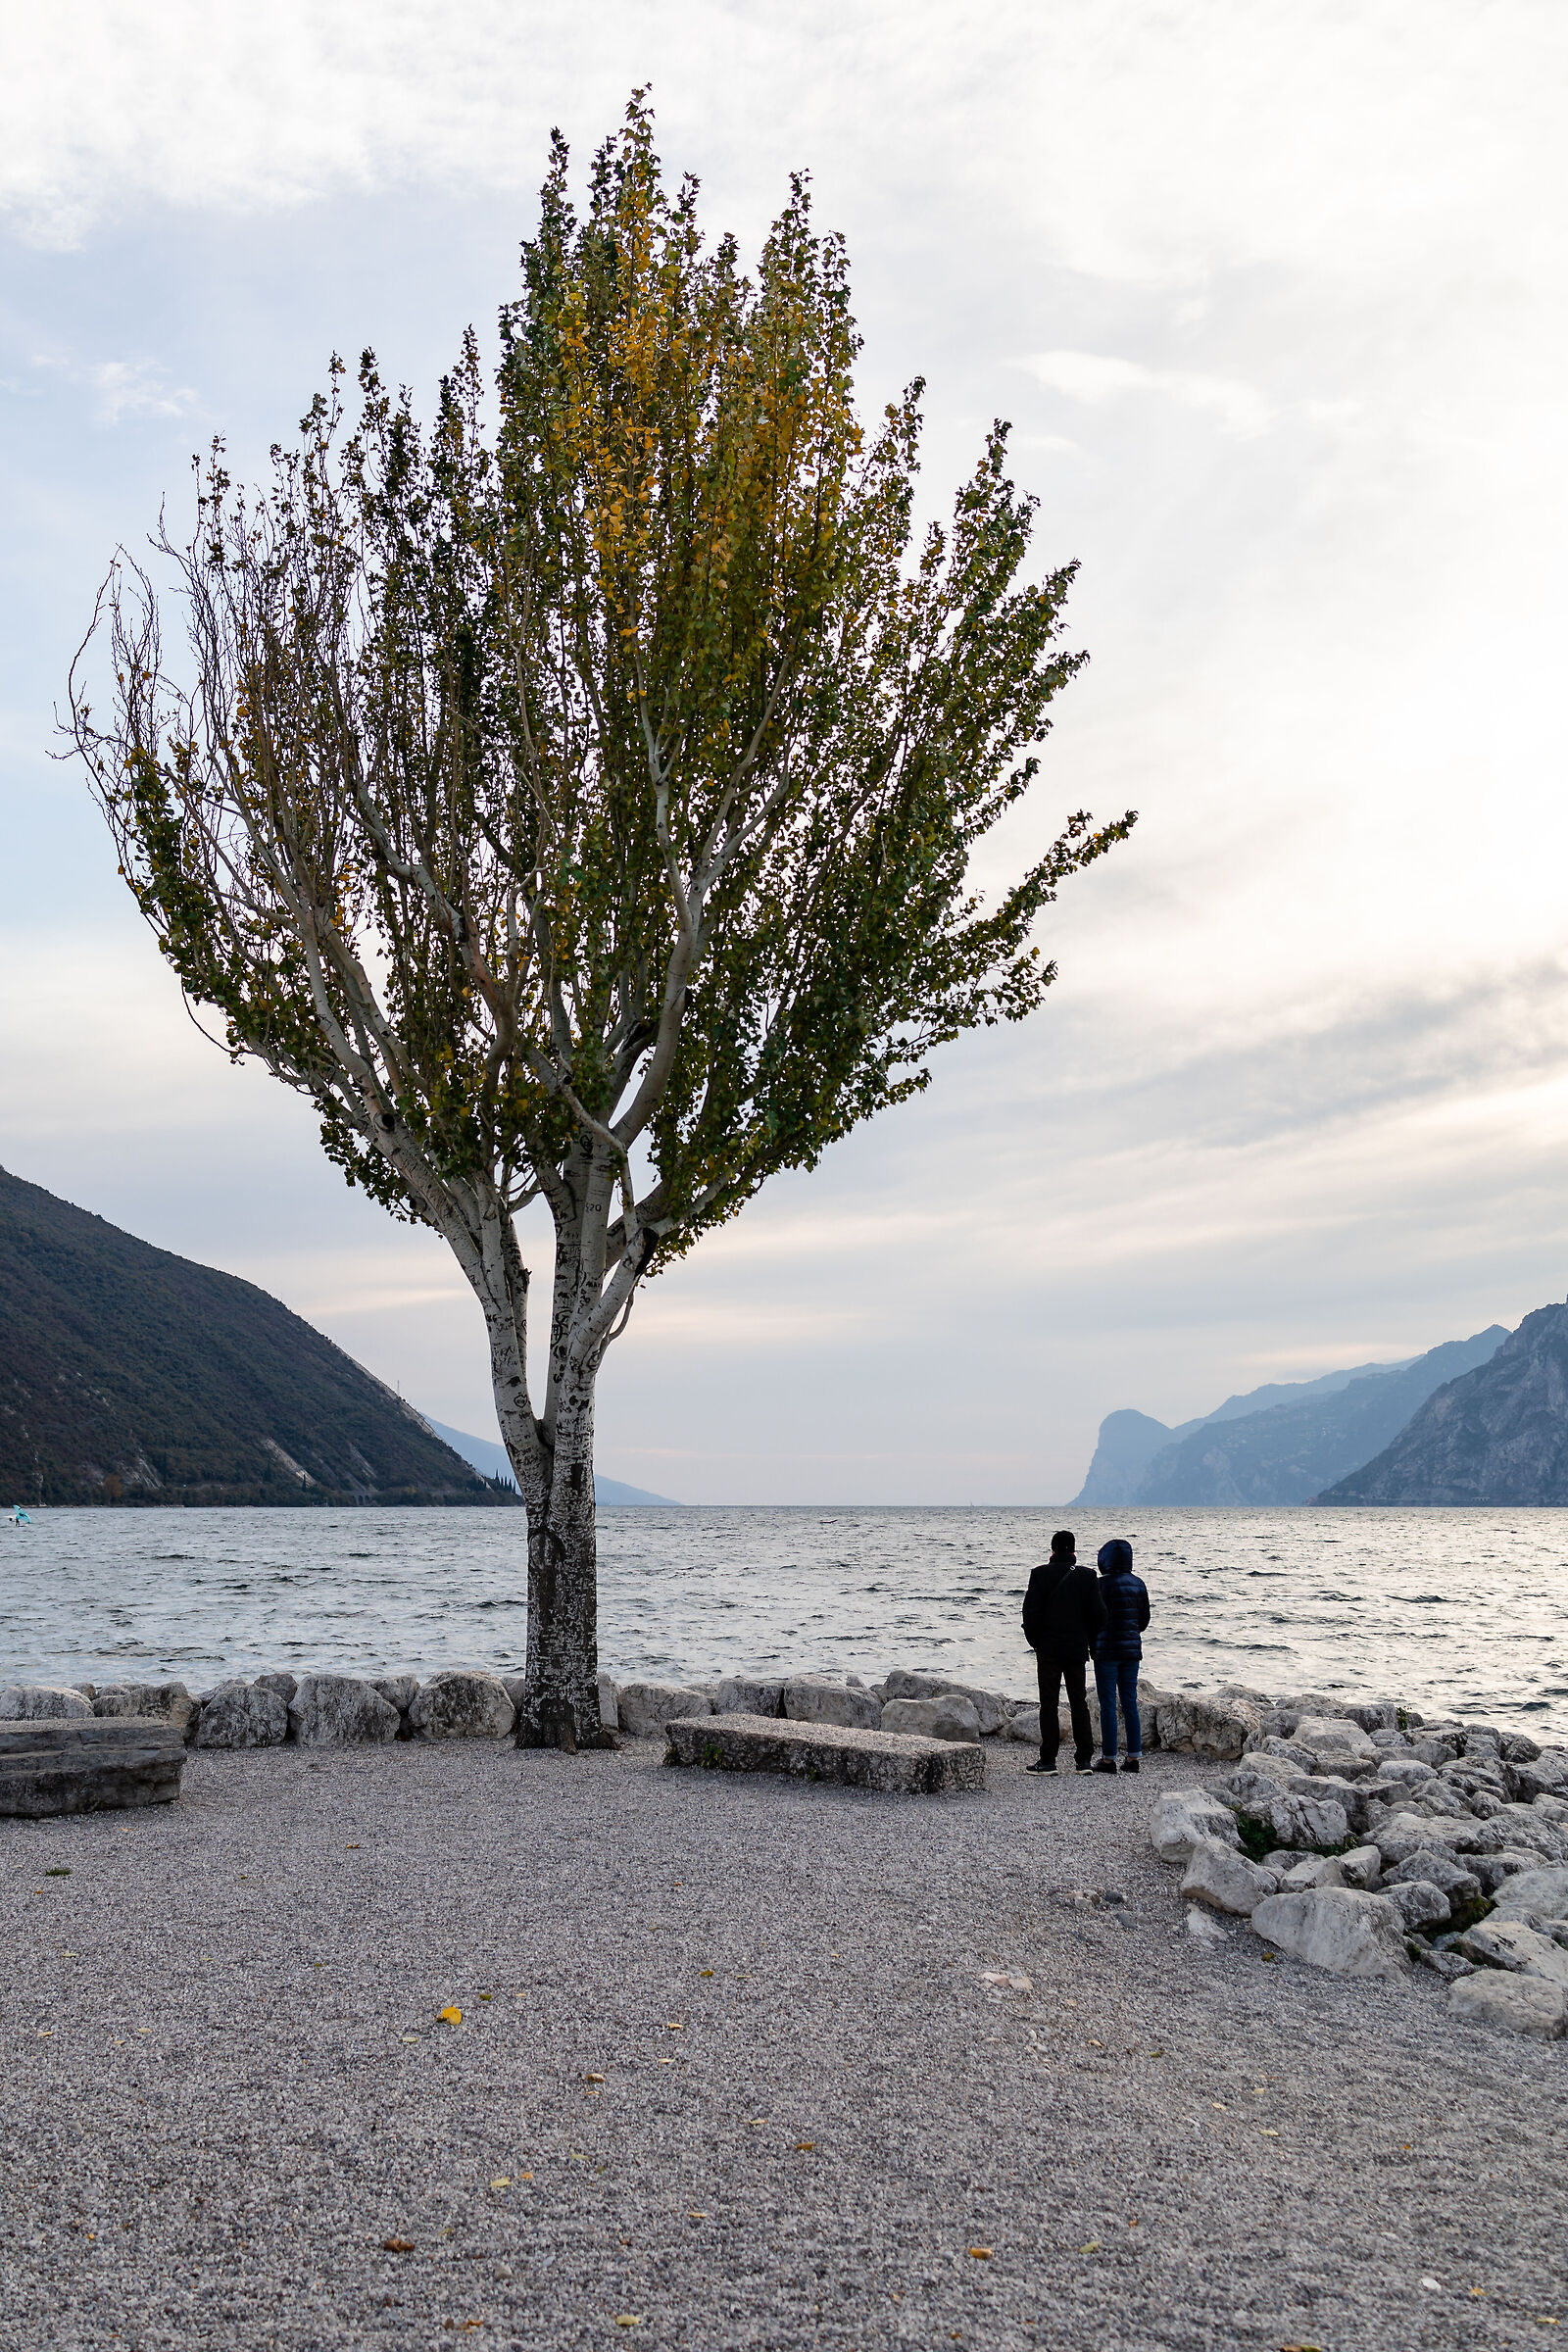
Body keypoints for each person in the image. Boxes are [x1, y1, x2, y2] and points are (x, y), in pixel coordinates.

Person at [1020, 1530, 1107, 1775]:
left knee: (1049, 1703)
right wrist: (1088, 1638)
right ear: (1073, 1551)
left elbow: (1030, 1613)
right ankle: (1083, 1760)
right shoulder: (1087, 1576)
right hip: (1076, 1648)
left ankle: (1048, 1760)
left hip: (1048, 1649)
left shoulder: (1039, 1574)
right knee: (1078, 1702)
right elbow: (1100, 1615)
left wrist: (1035, 1641)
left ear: (1052, 1550)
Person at [1092, 1537, 1151, 1774]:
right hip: (1131, 1651)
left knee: (1107, 1704)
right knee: (1130, 1702)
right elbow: (1144, 1621)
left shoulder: (1099, 1585)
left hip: (1106, 1651)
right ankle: (1133, 1758)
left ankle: (1108, 1759)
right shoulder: (1139, 1584)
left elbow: (1092, 1618)